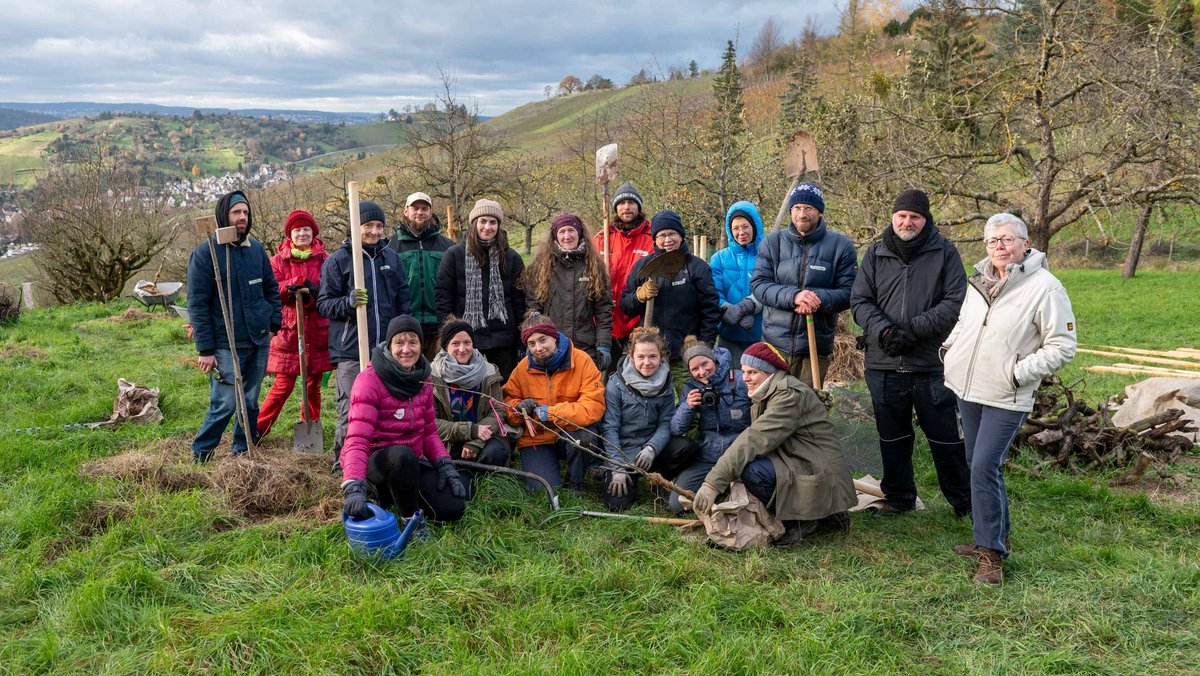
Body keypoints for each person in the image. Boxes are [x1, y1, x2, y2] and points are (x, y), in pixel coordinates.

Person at [942, 213, 1077, 586]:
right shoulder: (979, 281)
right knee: (977, 462)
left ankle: (991, 556)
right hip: (968, 388)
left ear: (1024, 243)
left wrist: (1016, 373)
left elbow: (1063, 347)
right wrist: (949, 350)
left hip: (1007, 393)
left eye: (1007, 240)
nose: (999, 247)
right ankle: (995, 535)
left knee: (985, 465)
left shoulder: (1046, 287)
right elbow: (963, 323)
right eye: (992, 241)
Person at [850, 189, 971, 518]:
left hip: (931, 363)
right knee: (892, 437)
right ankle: (899, 497)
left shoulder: (944, 253)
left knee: (945, 438)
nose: (907, 222)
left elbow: (954, 301)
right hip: (883, 361)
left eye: (914, 216)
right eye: (902, 216)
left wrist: (913, 330)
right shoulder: (875, 254)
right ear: (893, 217)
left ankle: (965, 502)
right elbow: (860, 301)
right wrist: (886, 331)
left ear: (925, 219)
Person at [691, 342, 857, 547]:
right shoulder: (770, 390)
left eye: (752, 372)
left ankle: (804, 520)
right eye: (743, 372)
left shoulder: (788, 395)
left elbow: (754, 438)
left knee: (754, 472)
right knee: (750, 464)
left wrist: (712, 484)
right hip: (798, 455)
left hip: (816, 467)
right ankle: (821, 512)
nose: (745, 378)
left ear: (769, 372)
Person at [340, 316, 467, 524]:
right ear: (389, 345)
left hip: (411, 463)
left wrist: (445, 464)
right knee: (402, 455)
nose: (406, 349)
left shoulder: (423, 378)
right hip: (378, 463)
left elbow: (429, 432)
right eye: (399, 342)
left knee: (452, 508)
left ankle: (397, 495)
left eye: (413, 342)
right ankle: (410, 519)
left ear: (420, 345)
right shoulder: (369, 381)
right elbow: (357, 439)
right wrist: (354, 485)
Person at [186, 190, 282, 462]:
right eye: (236, 212)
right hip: (225, 343)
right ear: (223, 216)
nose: (242, 217)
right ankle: (202, 452)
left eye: (246, 213)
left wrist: (274, 322)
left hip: (258, 339)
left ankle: (243, 449)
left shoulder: (256, 250)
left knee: (250, 400)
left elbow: (271, 289)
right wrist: (205, 349)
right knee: (225, 403)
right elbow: (197, 304)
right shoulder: (206, 254)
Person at [317, 200, 413, 470]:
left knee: (385, 407)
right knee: (352, 407)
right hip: (350, 348)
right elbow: (324, 304)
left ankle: (375, 460)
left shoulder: (390, 258)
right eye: (368, 225)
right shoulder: (338, 261)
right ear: (356, 227)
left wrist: (404, 334)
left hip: (386, 349)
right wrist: (347, 303)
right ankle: (343, 463)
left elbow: (403, 299)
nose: (374, 231)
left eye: (379, 226)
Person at [750, 183, 857, 387]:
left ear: (819, 212)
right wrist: (794, 296)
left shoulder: (840, 246)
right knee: (772, 408)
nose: (802, 213)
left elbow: (849, 292)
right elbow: (759, 285)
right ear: (791, 211)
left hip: (814, 347)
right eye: (797, 208)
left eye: (808, 208)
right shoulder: (772, 243)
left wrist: (817, 299)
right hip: (774, 346)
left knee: (808, 408)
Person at [503, 315, 606, 490]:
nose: (538, 348)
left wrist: (549, 412)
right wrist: (518, 409)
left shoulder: (582, 360)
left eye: (543, 340)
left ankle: (575, 481)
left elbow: (593, 407)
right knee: (543, 489)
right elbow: (507, 404)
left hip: (571, 432)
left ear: (555, 337)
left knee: (585, 438)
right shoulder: (522, 368)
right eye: (532, 343)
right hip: (537, 439)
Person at [619, 209, 721, 386]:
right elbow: (625, 306)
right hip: (651, 355)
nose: (667, 240)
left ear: (681, 235)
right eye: (662, 235)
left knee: (690, 401)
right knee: (653, 403)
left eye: (672, 234)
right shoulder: (643, 267)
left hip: (685, 352)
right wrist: (638, 296)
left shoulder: (696, 267)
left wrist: (703, 345)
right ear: (655, 239)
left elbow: (710, 309)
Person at [600, 327, 696, 511]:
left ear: (661, 357)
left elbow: (665, 423)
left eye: (652, 356)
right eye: (641, 357)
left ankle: (660, 478)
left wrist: (652, 448)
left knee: (687, 447)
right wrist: (617, 467)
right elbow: (610, 428)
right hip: (624, 450)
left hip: (653, 448)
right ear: (631, 357)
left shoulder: (666, 381)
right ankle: (615, 474)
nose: (647, 362)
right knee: (618, 505)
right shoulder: (616, 384)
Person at [257, 210, 331, 439]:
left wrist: (312, 290)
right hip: (290, 332)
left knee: (312, 386)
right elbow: (272, 290)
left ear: (313, 232)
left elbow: (329, 290)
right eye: (297, 230)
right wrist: (297, 283)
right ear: (290, 234)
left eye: (306, 229)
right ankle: (259, 428)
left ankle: (310, 429)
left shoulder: (326, 260)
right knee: (283, 385)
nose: (302, 233)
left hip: (317, 332)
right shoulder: (277, 261)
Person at [436, 199, 526, 376]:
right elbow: (443, 297)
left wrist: (520, 339)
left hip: (503, 338)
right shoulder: (454, 255)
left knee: (504, 389)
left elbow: (520, 301)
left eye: (493, 222)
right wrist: (449, 334)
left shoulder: (512, 257)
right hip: (466, 338)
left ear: (498, 226)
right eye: (482, 221)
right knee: (466, 389)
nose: (487, 227)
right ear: (474, 223)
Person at [668, 336, 751, 513]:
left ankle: (729, 486)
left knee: (748, 504)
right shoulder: (691, 388)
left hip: (741, 453)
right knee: (676, 505)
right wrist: (687, 406)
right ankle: (720, 485)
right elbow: (676, 428)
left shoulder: (740, 379)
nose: (702, 372)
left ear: (713, 359)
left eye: (705, 364)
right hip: (709, 453)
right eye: (694, 369)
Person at [522, 213, 614, 371]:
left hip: (585, 346)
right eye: (562, 232)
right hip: (551, 346)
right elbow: (533, 307)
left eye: (571, 230)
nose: (567, 236)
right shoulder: (541, 267)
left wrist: (603, 344)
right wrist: (532, 337)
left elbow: (603, 311)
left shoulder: (594, 266)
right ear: (555, 236)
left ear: (579, 233)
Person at [430, 316, 511, 494]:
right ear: (445, 347)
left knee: (496, 452)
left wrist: (475, 441)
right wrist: (470, 430)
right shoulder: (432, 376)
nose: (462, 349)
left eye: (467, 342)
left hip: (483, 440)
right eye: (455, 343)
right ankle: (465, 480)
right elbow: (431, 423)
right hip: (449, 443)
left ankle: (485, 484)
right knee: (462, 490)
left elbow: (497, 411)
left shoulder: (488, 371)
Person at [389, 191, 455, 360]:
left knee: (439, 375)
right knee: (410, 376)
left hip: (439, 325)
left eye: (424, 208)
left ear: (430, 212)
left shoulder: (447, 247)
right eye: (415, 208)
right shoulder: (390, 246)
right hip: (406, 325)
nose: (420, 212)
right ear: (406, 211)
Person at [593, 182, 654, 363]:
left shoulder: (651, 237)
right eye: (621, 203)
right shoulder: (602, 238)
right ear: (615, 208)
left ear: (639, 207)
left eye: (631, 202)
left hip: (638, 320)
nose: (626, 207)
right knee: (606, 375)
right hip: (605, 320)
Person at [709, 200, 766, 365]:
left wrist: (747, 307)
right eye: (736, 228)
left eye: (745, 226)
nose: (741, 232)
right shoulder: (719, 259)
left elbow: (770, 290)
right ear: (730, 230)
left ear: (754, 226)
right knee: (731, 385)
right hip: (730, 336)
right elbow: (713, 294)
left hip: (762, 336)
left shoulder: (768, 255)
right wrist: (733, 312)